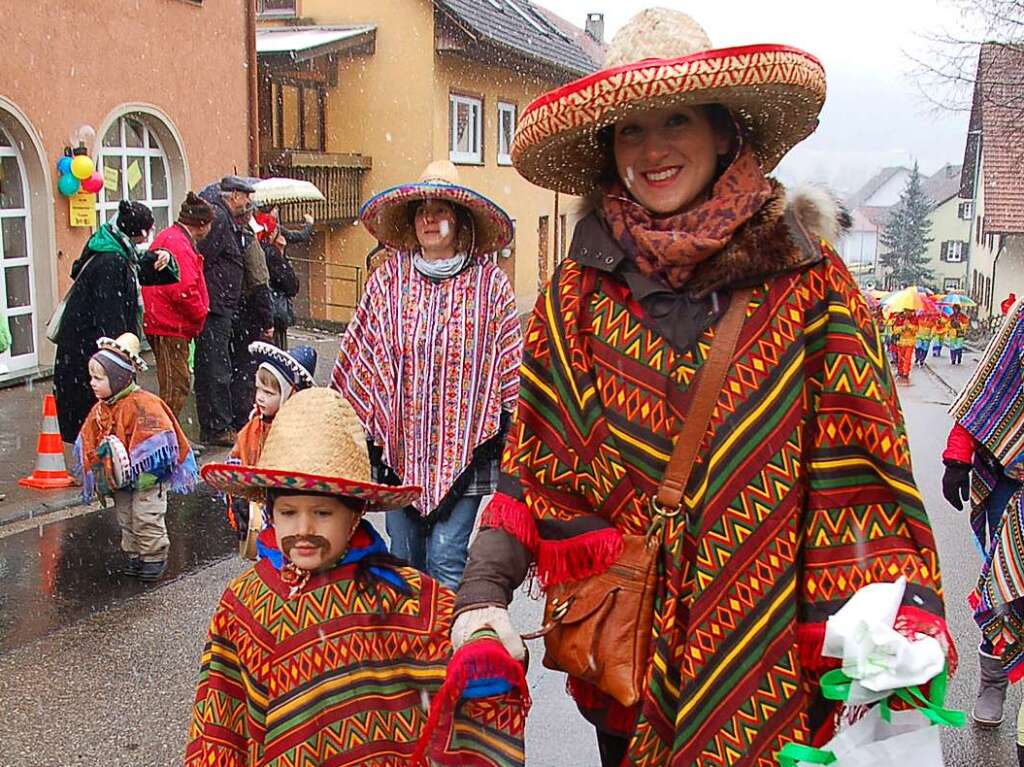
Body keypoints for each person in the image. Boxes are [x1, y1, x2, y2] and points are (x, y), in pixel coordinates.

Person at [448, 10, 954, 766]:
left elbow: (866, 469)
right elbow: (534, 462)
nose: (653, 149)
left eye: (676, 119)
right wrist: (481, 594)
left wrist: (895, 625)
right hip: (627, 657)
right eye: (630, 129)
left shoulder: (810, 284)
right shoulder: (576, 296)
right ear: (608, 150)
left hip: (775, 650)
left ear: (724, 132)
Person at [190, 387, 527, 766]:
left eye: (322, 513)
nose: (303, 529)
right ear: (271, 513)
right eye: (287, 513)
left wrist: (484, 646)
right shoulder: (246, 602)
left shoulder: (397, 593)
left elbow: (463, 636)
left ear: (355, 516)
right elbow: (221, 717)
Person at [331, 160, 522, 589]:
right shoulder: (388, 282)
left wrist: (519, 440)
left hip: (466, 447)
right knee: (404, 559)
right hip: (400, 445)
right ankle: (408, 651)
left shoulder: (490, 285)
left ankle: (443, 654)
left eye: (441, 210)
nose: (430, 219)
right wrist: (331, 421)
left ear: (460, 220)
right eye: (422, 211)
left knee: (446, 560)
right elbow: (360, 356)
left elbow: (510, 366)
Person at [942, 295, 1024, 755]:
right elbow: (988, 392)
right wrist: (957, 458)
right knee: (1010, 591)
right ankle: (994, 681)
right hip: (1013, 485)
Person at [73, 333, 197, 581]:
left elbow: (161, 442)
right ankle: (134, 554)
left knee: (146, 515)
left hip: (149, 477)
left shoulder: (144, 404)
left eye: (99, 378)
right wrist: (100, 463)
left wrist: (149, 473)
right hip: (121, 479)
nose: (92, 383)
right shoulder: (101, 409)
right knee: (126, 517)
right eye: (92, 377)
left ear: (119, 378)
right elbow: (88, 440)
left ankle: (154, 556)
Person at [54, 200, 176, 443]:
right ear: (139, 233)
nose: (149, 238)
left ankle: (103, 458)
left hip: (85, 351)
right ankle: (100, 465)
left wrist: (164, 256)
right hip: (90, 354)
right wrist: (120, 356)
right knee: (96, 417)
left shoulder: (115, 249)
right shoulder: (111, 261)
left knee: (97, 416)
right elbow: (109, 318)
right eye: (148, 232)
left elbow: (144, 267)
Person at [226, 341, 316, 558]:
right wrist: (238, 501)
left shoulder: (303, 430)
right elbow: (235, 464)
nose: (260, 397)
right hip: (262, 520)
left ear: (290, 394)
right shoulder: (254, 426)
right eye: (258, 388)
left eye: (269, 392)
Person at [141, 192, 214, 417]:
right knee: (176, 386)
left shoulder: (171, 238)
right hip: (169, 326)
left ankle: (170, 437)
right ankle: (164, 438)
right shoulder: (178, 244)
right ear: (201, 225)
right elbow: (182, 290)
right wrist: (201, 313)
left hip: (166, 322)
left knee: (175, 384)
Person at [195, 176, 255, 446]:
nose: (248, 201)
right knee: (215, 367)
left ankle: (218, 424)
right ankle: (217, 428)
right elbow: (202, 257)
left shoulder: (224, 219)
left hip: (220, 304)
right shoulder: (219, 219)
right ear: (233, 196)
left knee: (218, 365)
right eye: (245, 196)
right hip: (215, 306)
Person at [228, 213, 274, 431]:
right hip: (248, 314)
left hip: (235, 312)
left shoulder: (233, 238)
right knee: (247, 368)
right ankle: (245, 418)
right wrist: (267, 320)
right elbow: (259, 282)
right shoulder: (249, 243)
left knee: (238, 366)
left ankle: (239, 415)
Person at [254, 213, 300, 350]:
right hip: (274, 312)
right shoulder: (271, 253)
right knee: (276, 355)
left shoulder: (254, 246)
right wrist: (282, 255)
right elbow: (292, 285)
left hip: (257, 314)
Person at [892, 309, 918, 383]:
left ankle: (906, 372)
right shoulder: (899, 319)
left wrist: (909, 326)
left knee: (907, 357)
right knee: (901, 357)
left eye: (909, 311)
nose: (907, 313)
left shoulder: (914, 319)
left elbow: (916, 330)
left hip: (910, 341)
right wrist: (903, 327)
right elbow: (895, 330)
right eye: (906, 311)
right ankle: (900, 370)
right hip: (901, 341)